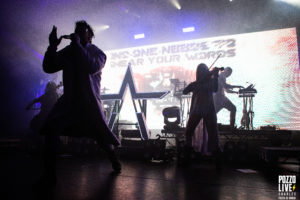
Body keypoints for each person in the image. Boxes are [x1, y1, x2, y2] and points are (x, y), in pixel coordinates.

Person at [40, 20, 121, 185]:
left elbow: (91, 67)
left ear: (90, 36)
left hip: (89, 105)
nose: (77, 34)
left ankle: (113, 159)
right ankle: (49, 175)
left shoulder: (98, 53)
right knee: (51, 129)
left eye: (82, 31)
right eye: (76, 31)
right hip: (69, 102)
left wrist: (76, 46)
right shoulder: (70, 51)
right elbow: (49, 67)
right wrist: (52, 47)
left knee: (102, 139)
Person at [182, 63, 222, 165]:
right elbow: (185, 91)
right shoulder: (200, 83)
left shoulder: (206, 83)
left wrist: (214, 76)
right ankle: (216, 157)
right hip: (204, 110)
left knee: (192, 132)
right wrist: (211, 76)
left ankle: (188, 153)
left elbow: (215, 89)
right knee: (209, 133)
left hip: (201, 109)